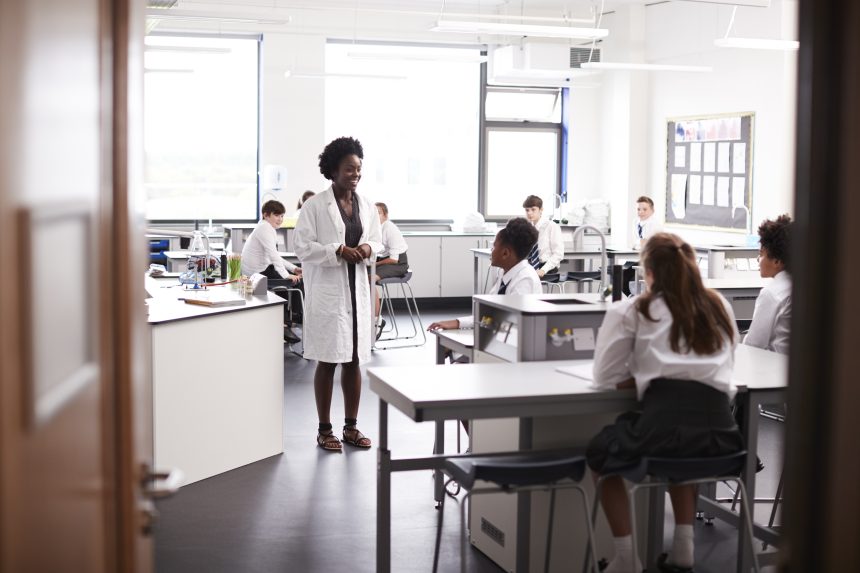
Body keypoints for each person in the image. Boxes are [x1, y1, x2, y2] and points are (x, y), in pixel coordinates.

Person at [587, 233, 744, 573]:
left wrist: (647, 372)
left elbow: (604, 378)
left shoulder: (633, 308)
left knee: (602, 457)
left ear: (649, 272)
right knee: (684, 451)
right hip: (721, 433)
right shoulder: (718, 305)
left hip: (664, 426)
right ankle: (683, 549)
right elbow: (726, 364)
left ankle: (626, 559)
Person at [294, 136, 382, 452]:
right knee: (329, 360)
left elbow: (378, 239)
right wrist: (337, 250)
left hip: (356, 293)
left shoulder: (367, 205)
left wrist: (369, 247)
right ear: (333, 170)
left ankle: (351, 428)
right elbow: (301, 247)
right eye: (349, 169)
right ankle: (324, 429)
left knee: (354, 360)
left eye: (358, 169)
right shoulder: (315, 206)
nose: (355, 174)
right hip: (329, 294)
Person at [427, 217, 541, 332]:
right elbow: (489, 316)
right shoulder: (504, 273)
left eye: (494, 246)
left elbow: (509, 323)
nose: (491, 250)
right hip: (500, 334)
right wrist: (456, 322)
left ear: (505, 253)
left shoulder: (525, 280)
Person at [241, 200, 303, 343]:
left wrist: (293, 268)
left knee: (291, 279)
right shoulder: (265, 229)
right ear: (266, 215)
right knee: (294, 282)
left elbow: (274, 256)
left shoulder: (265, 228)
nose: (280, 219)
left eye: (282, 216)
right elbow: (274, 256)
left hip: (260, 270)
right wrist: (288, 275)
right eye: (277, 215)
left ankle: (287, 321)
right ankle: (290, 321)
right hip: (257, 274)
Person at [744, 215, 792, 354]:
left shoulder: (771, 294)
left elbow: (753, 344)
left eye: (762, 254)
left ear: (776, 261)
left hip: (771, 367)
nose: (759, 259)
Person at [371, 202, 409, 337]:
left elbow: (394, 259)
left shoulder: (390, 228)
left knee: (370, 279)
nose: (375, 216)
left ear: (385, 215)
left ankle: (377, 321)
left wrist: (375, 265)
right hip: (385, 260)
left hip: (398, 264)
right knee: (360, 274)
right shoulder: (376, 228)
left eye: (379, 213)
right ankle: (366, 319)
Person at [522, 195, 564, 280]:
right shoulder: (527, 227)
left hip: (547, 267)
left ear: (541, 210)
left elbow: (558, 254)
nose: (529, 213)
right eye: (527, 210)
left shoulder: (552, 226)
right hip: (531, 266)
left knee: (524, 280)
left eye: (533, 209)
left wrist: (543, 270)